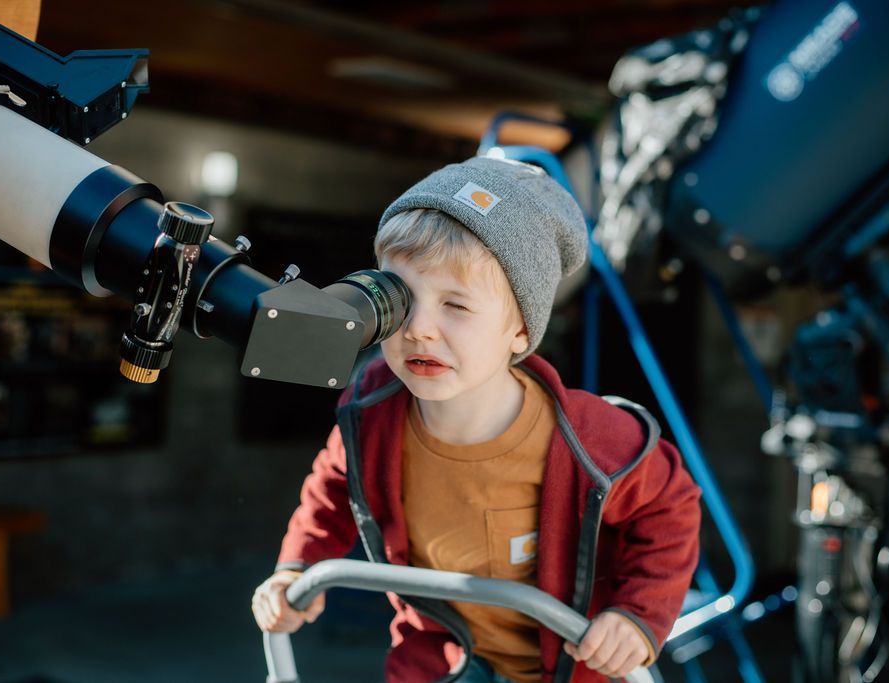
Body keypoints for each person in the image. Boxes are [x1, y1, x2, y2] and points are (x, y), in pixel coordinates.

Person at [252, 156, 701, 683]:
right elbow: (332, 489)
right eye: (401, 299)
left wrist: (636, 615)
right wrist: (296, 567)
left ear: (519, 331)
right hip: (438, 661)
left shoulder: (590, 438)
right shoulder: (370, 408)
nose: (420, 329)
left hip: (569, 669)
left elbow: (670, 510)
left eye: (456, 307)